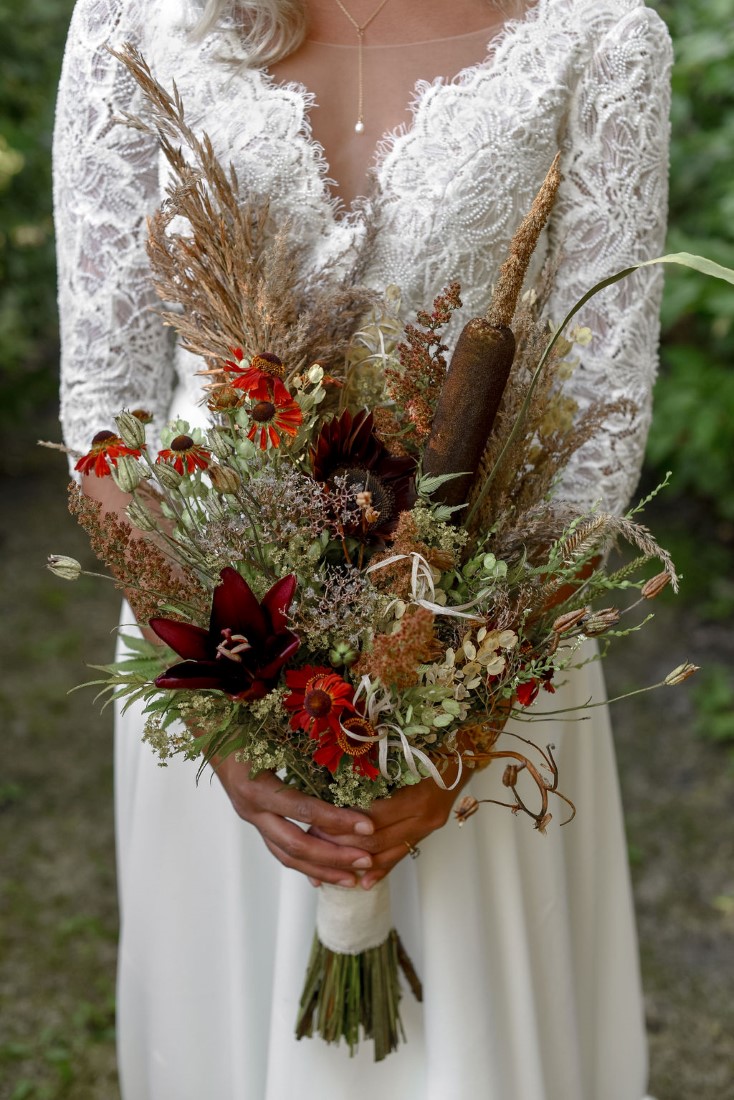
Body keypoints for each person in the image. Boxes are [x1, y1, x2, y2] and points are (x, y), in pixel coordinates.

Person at [54, 0, 672, 1097]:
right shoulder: (133, 15)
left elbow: (599, 416)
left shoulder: (600, 33)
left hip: (488, 633)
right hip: (210, 615)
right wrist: (218, 705)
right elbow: (108, 412)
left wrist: (466, 723)